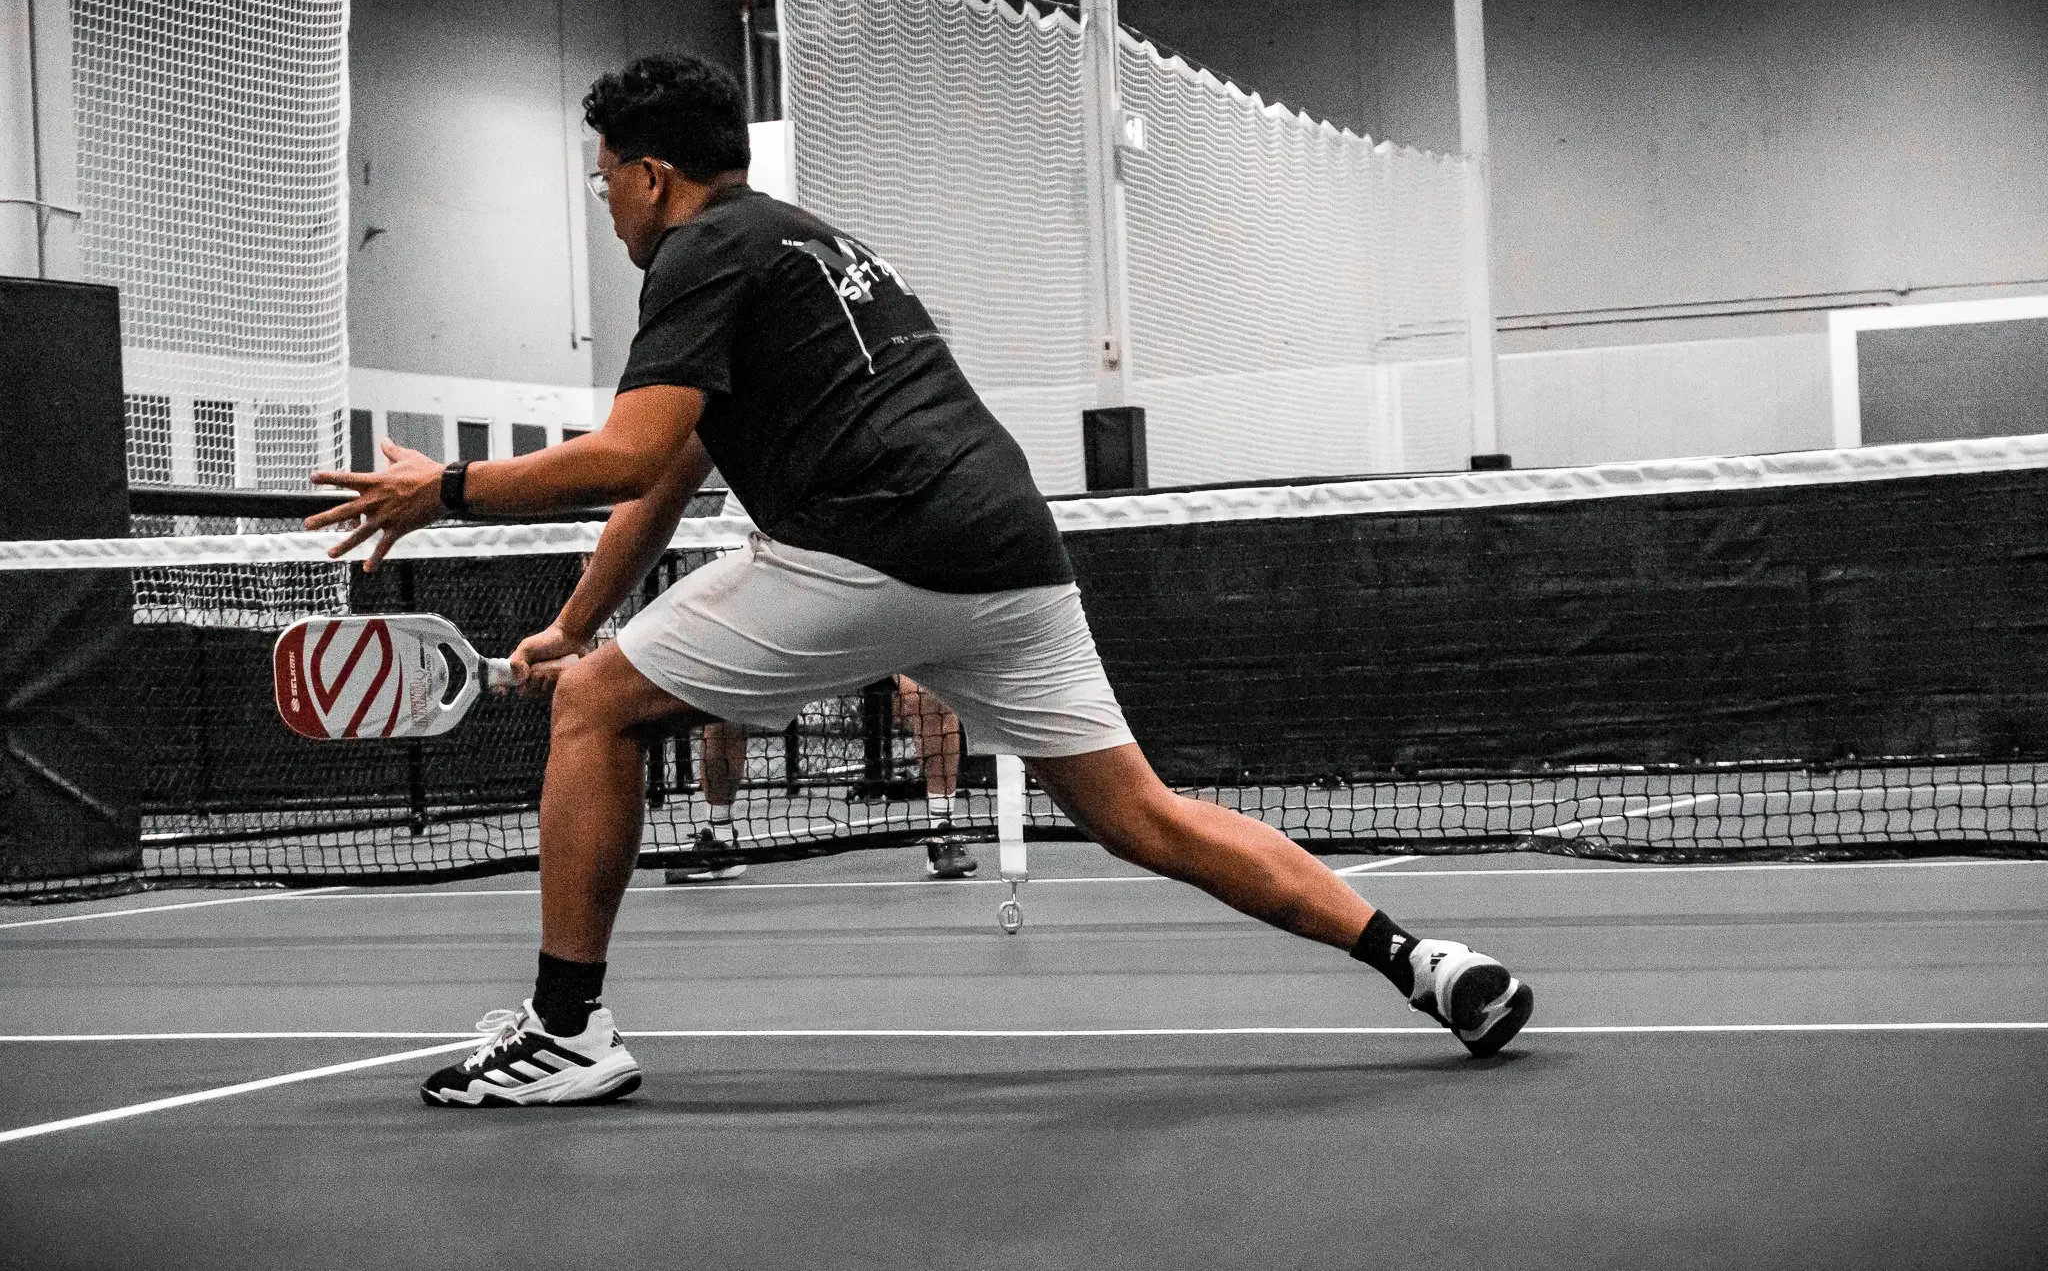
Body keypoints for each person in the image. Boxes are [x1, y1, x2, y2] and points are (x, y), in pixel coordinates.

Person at [309, 55, 1532, 1108]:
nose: (607, 205)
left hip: (874, 540)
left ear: (651, 176)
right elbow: (669, 476)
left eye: (604, 182)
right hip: (1008, 552)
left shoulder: (696, 253)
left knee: (594, 712)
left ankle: (567, 1030)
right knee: (1142, 816)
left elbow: (624, 455)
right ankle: (1421, 962)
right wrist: (573, 623)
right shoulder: (810, 243)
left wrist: (444, 491)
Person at [675, 676, 978, 882]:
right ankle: (720, 839)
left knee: (931, 696)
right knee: (723, 703)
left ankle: (941, 832)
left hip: (874, 620)